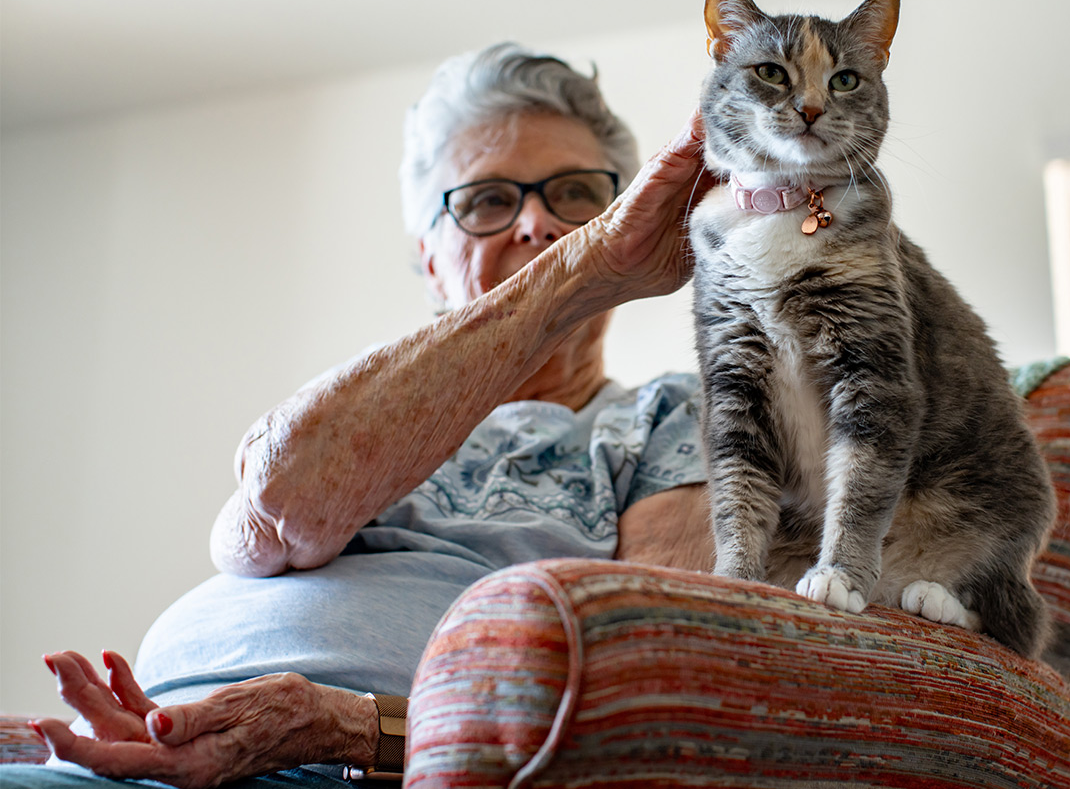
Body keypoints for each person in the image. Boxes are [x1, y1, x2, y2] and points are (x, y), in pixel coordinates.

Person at [11, 43, 721, 788]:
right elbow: (283, 506)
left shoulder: (670, 415)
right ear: (431, 259)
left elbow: (649, 696)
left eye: (576, 194)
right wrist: (580, 267)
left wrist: (355, 727)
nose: (537, 225)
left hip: (353, 765)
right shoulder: (373, 401)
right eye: (487, 201)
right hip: (147, 746)